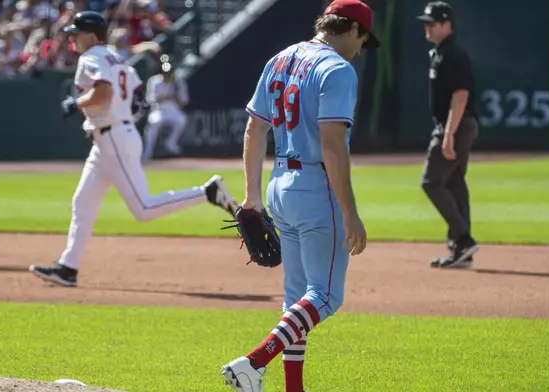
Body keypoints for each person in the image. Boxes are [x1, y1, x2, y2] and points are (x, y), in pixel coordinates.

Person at [220, 1, 379, 391]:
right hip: (314, 190)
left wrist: (251, 198)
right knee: (325, 297)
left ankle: (293, 389)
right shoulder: (337, 69)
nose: (361, 50)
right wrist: (350, 211)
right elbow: (332, 145)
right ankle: (254, 362)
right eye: (363, 40)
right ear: (353, 30)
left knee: (297, 301)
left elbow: (254, 131)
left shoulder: (280, 59)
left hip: (279, 187)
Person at [29, 11, 237, 288]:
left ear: (92, 35)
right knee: (83, 203)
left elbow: (104, 92)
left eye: (77, 32)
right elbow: (138, 96)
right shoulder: (116, 58)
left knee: (144, 208)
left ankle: (207, 192)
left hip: (114, 137)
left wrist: (77, 103)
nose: (73, 37)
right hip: (111, 138)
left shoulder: (92, 57)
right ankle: (68, 267)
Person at [417, 2, 479, 269]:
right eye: (426, 23)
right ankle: (460, 249)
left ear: (446, 24)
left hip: (456, 125)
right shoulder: (441, 52)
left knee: (431, 181)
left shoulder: (452, 53)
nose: (427, 27)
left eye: (432, 23)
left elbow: (461, 94)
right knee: (453, 181)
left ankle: (463, 239)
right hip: (457, 125)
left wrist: (449, 134)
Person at [142, 61, 189, 160]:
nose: (167, 74)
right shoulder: (154, 81)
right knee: (154, 122)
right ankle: (148, 151)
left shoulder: (178, 82)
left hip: (173, 109)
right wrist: (163, 97)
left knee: (182, 120)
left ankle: (171, 142)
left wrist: (174, 96)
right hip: (159, 109)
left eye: (169, 72)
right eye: (165, 72)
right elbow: (149, 99)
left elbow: (184, 101)